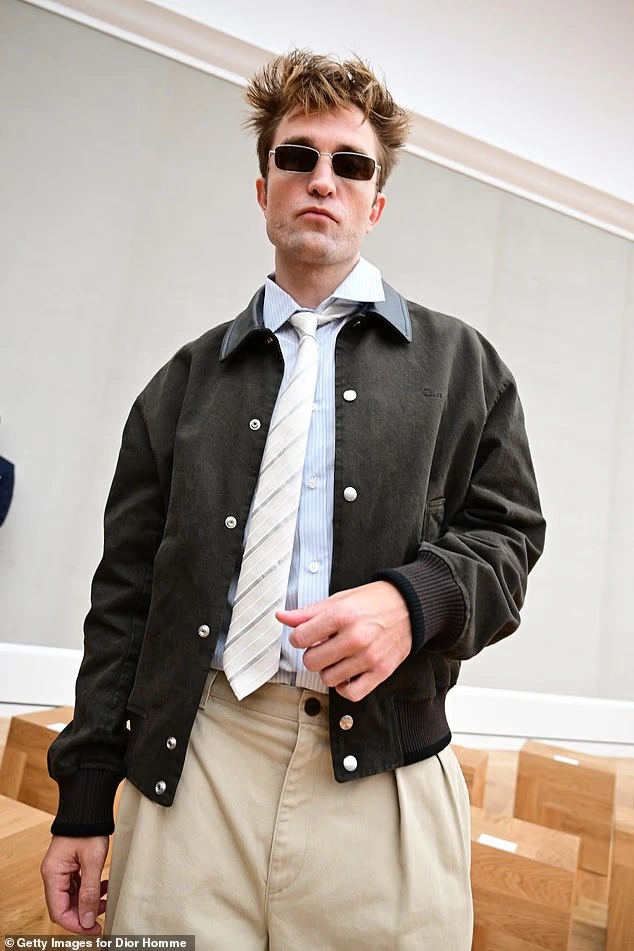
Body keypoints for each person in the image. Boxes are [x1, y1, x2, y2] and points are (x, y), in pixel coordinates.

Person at [41, 50, 545, 949]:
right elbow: (123, 598)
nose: (323, 179)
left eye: (351, 164)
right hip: (194, 766)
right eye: (298, 156)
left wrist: (414, 601)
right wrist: (84, 796)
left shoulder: (465, 365)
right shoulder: (180, 383)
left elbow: (508, 542)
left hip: (384, 777)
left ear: (375, 204)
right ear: (264, 187)